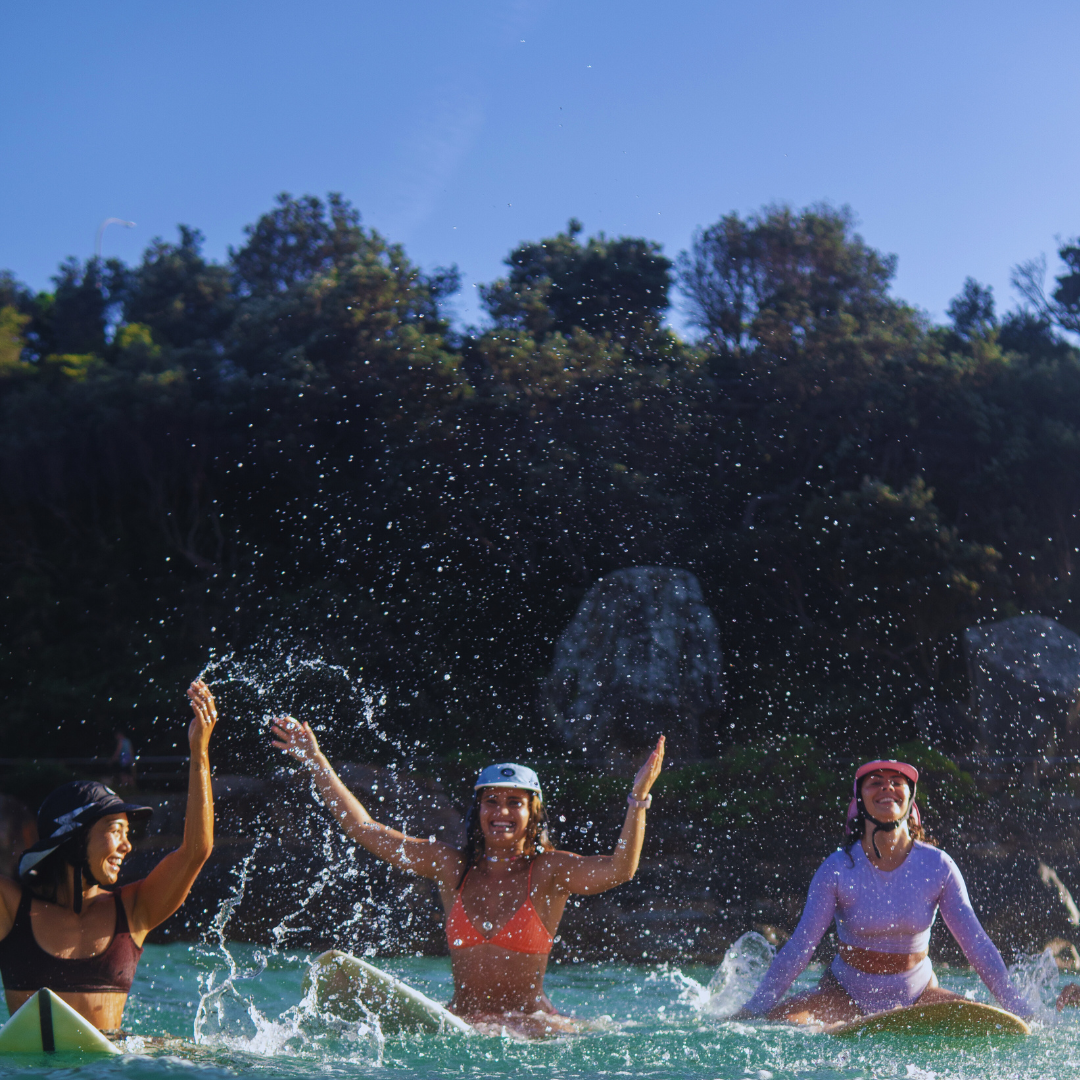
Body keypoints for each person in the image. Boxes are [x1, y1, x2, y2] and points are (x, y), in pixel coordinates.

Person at [270, 716, 664, 1034]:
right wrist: (316, 760)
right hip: (461, 1023)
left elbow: (619, 869)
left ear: (533, 813)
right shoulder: (450, 866)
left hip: (533, 1030)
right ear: (477, 811)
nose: (501, 812)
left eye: (514, 803)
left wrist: (638, 799)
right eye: (491, 801)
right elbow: (366, 830)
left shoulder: (548, 872)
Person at [735, 759, 1057, 1026]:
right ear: (860, 800)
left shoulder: (938, 866)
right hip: (844, 994)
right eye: (875, 782)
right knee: (776, 1024)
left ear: (910, 798)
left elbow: (978, 947)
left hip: (919, 997)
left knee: (997, 1027)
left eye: (897, 782)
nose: (887, 786)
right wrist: (754, 1007)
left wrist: (1019, 1009)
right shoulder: (837, 869)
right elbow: (799, 948)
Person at [0, 680, 218, 1032]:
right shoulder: (11, 909)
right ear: (72, 836)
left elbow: (196, 851)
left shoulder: (133, 910)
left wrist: (200, 751)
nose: (127, 845)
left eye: (128, 834)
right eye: (116, 830)